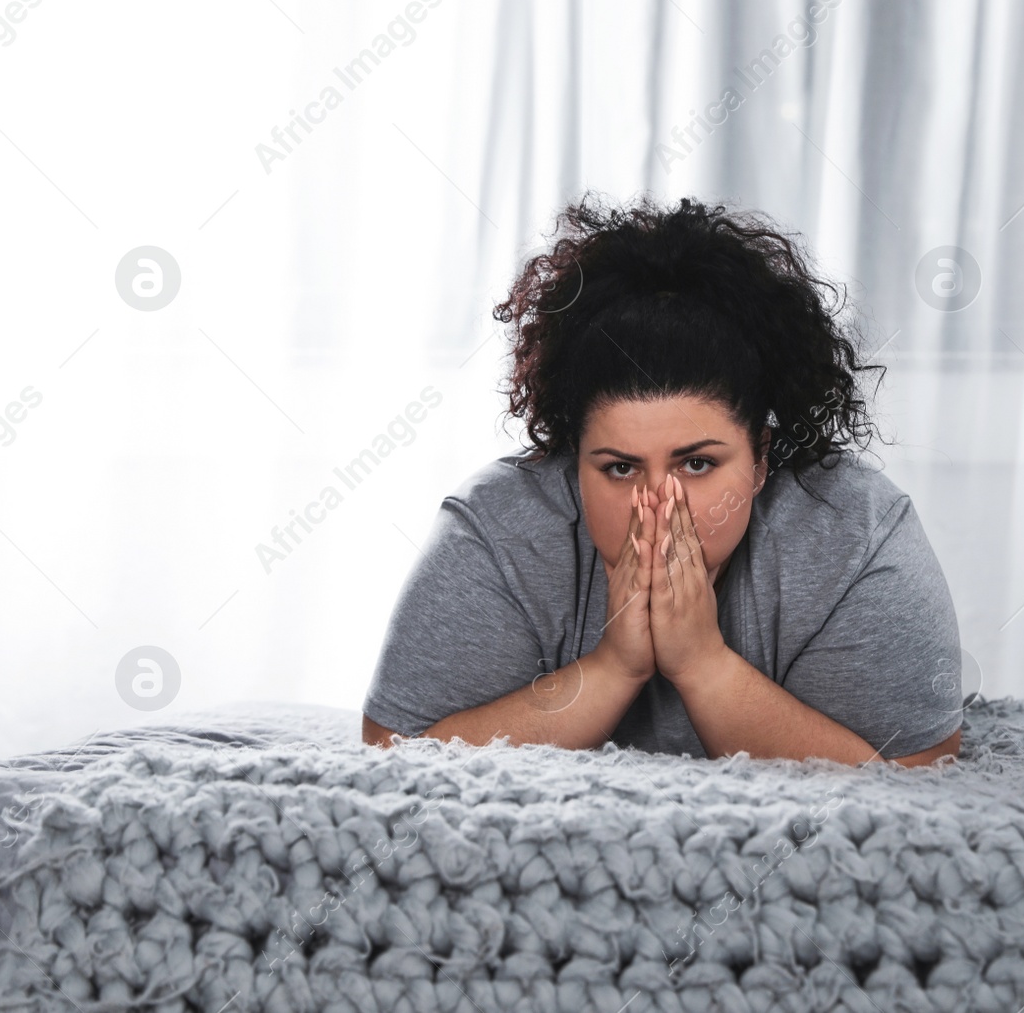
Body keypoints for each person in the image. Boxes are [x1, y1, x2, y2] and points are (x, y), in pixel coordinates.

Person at [361, 194, 963, 766]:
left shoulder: (855, 535)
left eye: (697, 464)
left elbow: (918, 771)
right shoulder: (497, 529)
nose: (657, 504)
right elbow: (392, 748)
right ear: (574, 461)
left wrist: (705, 666)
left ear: (760, 460)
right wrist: (612, 669)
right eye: (620, 468)